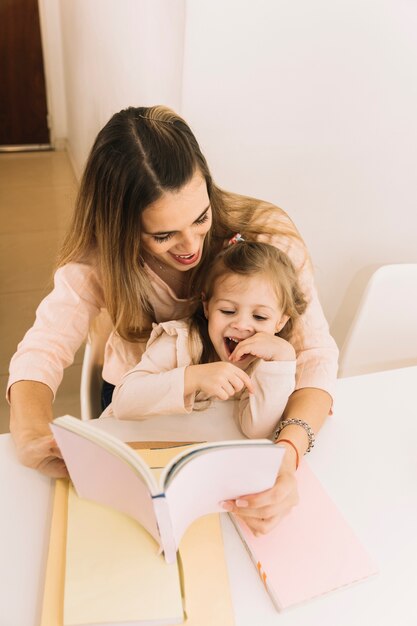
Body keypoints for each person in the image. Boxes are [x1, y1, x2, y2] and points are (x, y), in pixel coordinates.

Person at [7, 105, 338, 535]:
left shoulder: (267, 237)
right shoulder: (98, 263)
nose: (190, 247)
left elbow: (315, 355)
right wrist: (32, 432)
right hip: (142, 406)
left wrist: (287, 456)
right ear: (121, 228)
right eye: (163, 235)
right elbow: (42, 350)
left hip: (245, 417)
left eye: (201, 218)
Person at [105, 241, 306, 443]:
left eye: (260, 317)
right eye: (228, 311)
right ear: (207, 306)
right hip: (132, 444)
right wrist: (193, 378)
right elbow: (123, 402)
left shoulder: (266, 364)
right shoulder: (181, 342)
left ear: (281, 321)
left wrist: (283, 359)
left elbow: (256, 430)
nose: (242, 325)